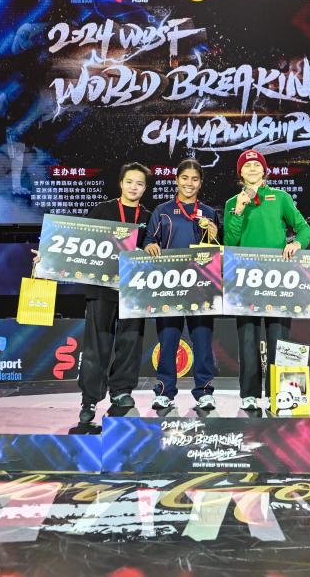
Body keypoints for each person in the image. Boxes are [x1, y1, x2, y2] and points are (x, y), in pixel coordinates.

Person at [223, 149, 310, 412]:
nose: (252, 169)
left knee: (279, 338)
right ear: (240, 173)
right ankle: (249, 394)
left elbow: (304, 227)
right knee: (247, 339)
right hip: (245, 279)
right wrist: (239, 211)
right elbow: (230, 242)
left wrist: (297, 243)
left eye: (256, 165)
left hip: (278, 278)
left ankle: (279, 393)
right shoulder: (232, 203)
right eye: (246, 165)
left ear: (264, 170)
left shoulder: (280, 197)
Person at [76, 162, 152, 425]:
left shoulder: (149, 216)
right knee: (96, 345)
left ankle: (121, 391)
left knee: (130, 343)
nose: (134, 187)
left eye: (139, 184)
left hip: (133, 290)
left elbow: (155, 248)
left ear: (145, 188)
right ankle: (89, 399)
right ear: (121, 183)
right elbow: (77, 241)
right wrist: (48, 257)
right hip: (101, 289)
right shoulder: (102, 210)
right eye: (129, 182)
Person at [143, 158, 221, 412]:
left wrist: (214, 234)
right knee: (168, 340)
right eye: (185, 178)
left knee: (202, 341)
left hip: (201, 285)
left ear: (201, 183)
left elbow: (216, 250)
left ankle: (204, 392)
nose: (189, 183)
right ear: (176, 180)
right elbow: (149, 239)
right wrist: (149, 245)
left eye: (195, 179)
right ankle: (164, 391)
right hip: (170, 285)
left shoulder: (209, 213)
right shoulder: (162, 211)